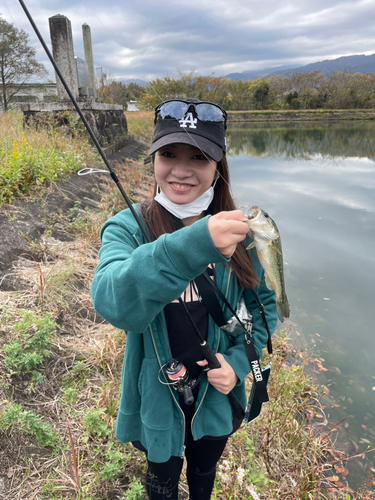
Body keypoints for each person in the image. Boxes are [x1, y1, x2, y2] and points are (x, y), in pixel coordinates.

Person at [91, 99, 278, 500]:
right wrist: (193, 245)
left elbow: (267, 313)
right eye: (168, 154)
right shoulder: (128, 227)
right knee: (161, 481)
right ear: (153, 159)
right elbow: (113, 301)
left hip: (216, 397)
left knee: (203, 475)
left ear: (218, 166)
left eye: (198, 156)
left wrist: (240, 364)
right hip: (156, 399)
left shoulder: (242, 231)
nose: (181, 169)